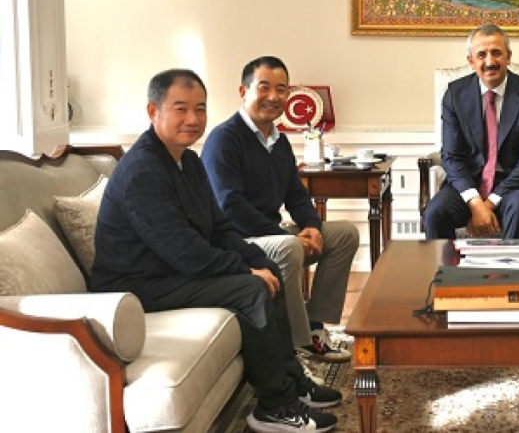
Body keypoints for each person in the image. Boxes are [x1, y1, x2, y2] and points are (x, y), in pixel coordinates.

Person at [90, 69, 340, 433]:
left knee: (269, 267)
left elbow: (219, 227)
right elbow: (183, 250)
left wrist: (255, 259)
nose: (193, 119)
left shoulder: (188, 161)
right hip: (136, 287)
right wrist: (245, 271)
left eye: (200, 109)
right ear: (152, 111)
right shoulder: (143, 170)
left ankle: (291, 381)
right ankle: (274, 406)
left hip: (169, 273)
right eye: (180, 108)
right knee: (251, 288)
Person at [202, 56, 360, 362]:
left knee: (344, 234)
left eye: (281, 89)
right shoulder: (224, 139)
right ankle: (294, 348)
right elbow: (230, 206)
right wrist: (285, 235)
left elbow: (296, 194)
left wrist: (311, 226)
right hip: (236, 239)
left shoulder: (279, 142)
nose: (273, 97)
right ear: (243, 91)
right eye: (264, 87)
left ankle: (314, 327)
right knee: (289, 246)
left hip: (271, 234)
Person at [422, 23, 519, 239]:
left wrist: (488, 204)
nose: (489, 62)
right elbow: (451, 156)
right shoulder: (455, 95)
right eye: (481, 55)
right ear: (471, 61)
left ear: (508, 57)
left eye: (496, 53)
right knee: (435, 213)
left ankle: (513, 262)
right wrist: (475, 202)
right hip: (469, 182)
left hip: (518, 185)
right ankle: (447, 263)